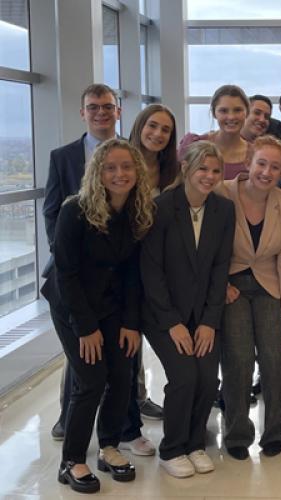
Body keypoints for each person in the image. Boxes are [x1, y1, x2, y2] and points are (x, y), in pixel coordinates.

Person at [42, 84, 162, 441]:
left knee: (122, 365)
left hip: (115, 287)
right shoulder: (63, 158)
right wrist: (70, 251)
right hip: (74, 280)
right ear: (83, 112)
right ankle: (73, 424)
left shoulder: (131, 158)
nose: (100, 112)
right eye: (92, 107)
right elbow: (52, 212)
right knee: (84, 365)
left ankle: (123, 430)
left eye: (107, 106)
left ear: (118, 111)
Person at [41, 139, 154, 494]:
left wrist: (132, 324)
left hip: (114, 305)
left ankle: (108, 447)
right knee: (90, 379)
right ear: (97, 173)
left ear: (137, 170)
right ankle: (71, 460)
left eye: (126, 167)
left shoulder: (137, 211)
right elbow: (66, 274)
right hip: (72, 304)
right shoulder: (75, 210)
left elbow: (134, 274)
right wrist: (86, 328)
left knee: (122, 373)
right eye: (110, 167)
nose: (120, 174)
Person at [140, 140, 235, 478]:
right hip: (162, 314)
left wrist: (209, 322)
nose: (208, 176)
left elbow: (220, 269)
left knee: (208, 378)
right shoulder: (162, 208)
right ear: (185, 169)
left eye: (215, 170)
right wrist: (172, 324)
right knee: (184, 376)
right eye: (202, 169)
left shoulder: (224, 211)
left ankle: (195, 444)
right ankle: (172, 448)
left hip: (203, 313)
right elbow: (151, 272)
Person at [217, 135, 281, 460]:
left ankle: (276, 430)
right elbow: (207, 247)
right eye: (261, 163)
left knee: (275, 359)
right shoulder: (222, 192)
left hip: (269, 285)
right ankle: (237, 433)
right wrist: (220, 283)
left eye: (275, 167)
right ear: (248, 161)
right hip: (231, 284)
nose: (266, 172)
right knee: (237, 359)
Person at [116, 104, 180, 458]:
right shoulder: (122, 163)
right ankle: (127, 430)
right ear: (139, 125)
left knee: (146, 349)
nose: (157, 134)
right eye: (152, 126)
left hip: (158, 271)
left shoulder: (172, 172)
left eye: (165, 130)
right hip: (122, 268)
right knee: (126, 354)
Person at [179, 84, 252, 180]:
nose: (231, 117)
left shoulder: (255, 154)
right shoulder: (193, 144)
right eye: (223, 111)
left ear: (247, 112)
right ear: (214, 113)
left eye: (237, 110)